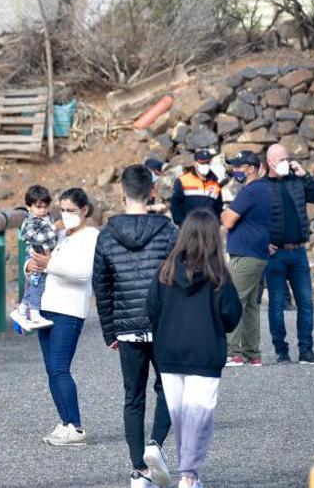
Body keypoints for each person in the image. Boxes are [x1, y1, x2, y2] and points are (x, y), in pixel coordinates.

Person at [93, 165, 177, 488]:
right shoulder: (168, 230)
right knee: (169, 388)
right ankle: (155, 443)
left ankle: (138, 469)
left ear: (122, 193)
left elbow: (101, 285)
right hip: (164, 322)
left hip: (126, 326)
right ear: (152, 193)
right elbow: (181, 277)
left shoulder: (107, 233)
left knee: (133, 396)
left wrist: (109, 331)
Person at [146, 209, 242, 488]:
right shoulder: (219, 276)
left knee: (180, 417)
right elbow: (231, 317)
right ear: (214, 238)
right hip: (205, 354)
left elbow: (151, 309)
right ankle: (188, 475)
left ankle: (183, 469)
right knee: (198, 418)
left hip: (170, 353)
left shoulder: (164, 271)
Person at [28, 187, 99, 447]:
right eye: (62, 210)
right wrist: (32, 264)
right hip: (48, 306)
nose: (66, 215)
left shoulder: (91, 236)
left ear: (84, 210)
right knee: (51, 369)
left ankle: (76, 426)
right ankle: (65, 421)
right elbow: (41, 257)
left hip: (70, 310)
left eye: (71, 210)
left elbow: (82, 273)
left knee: (60, 367)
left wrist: (50, 265)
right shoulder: (60, 234)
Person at [262, 144, 314, 364]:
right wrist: (263, 242)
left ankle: (306, 350)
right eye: (281, 159)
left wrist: (305, 175)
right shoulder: (261, 186)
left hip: (298, 253)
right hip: (275, 256)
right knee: (277, 304)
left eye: (288, 158)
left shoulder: (297, 181)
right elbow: (250, 219)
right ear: (270, 162)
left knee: (306, 303)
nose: (286, 162)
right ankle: (281, 352)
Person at [221, 151, 272, 367]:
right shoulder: (264, 189)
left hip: (245, 256)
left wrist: (225, 212)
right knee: (250, 306)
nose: (235, 170)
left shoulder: (249, 191)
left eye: (238, 167)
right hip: (257, 254)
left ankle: (233, 353)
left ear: (251, 168)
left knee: (234, 301)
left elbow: (228, 221)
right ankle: (253, 354)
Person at [11, 184, 60, 332]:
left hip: (44, 254)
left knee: (34, 285)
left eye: (45, 206)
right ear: (29, 207)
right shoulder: (30, 222)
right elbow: (38, 237)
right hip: (36, 255)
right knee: (37, 285)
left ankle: (22, 310)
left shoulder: (47, 217)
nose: (43, 210)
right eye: (39, 207)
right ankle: (34, 313)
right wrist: (54, 228)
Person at [170, 149, 223, 226]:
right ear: (195, 163)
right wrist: (181, 223)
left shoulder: (215, 184)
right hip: (189, 227)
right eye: (202, 163)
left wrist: (216, 223)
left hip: (209, 228)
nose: (205, 165)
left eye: (208, 162)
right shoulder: (183, 181)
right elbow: (175, 203)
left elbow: (218, 206)